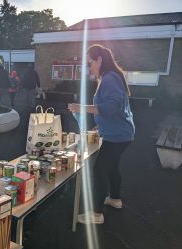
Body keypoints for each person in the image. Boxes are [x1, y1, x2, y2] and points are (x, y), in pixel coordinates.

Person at [68, 44, 135, 224]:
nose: (88, 68)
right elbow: (118, 109)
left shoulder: (110, 78)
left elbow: (112, 108)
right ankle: (115, 199)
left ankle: (96, 214)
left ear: (99, 60)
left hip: (118, 136)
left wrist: (82, 108)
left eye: (89, 63)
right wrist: (101, 127)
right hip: (121, 133)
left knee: (99, 170)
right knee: (112, 167)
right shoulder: (111, 76)